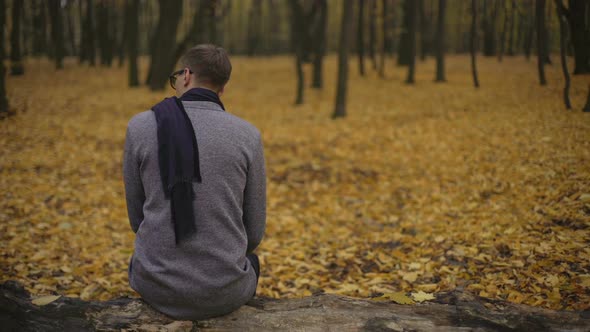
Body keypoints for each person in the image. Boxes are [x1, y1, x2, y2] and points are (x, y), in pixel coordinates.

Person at [123, 44, 266, 321]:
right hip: (226, 290)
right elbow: (254, 232)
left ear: (186, 75)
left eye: (175, 77)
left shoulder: (139, 127)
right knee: (253, 262)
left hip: (156, 285)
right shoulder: (248, 135)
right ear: (221, 89)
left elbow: (136, 219)